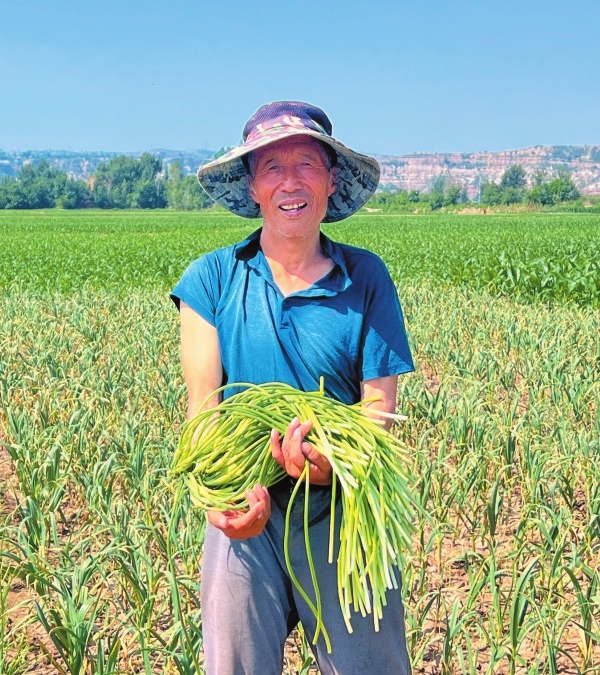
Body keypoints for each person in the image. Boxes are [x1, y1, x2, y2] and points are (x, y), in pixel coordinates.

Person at [171, 101, 414, 675]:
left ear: (331, 180)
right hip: (247, 500)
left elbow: (377, 411)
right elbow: (203, 410)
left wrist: (331, 466)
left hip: (345, 510)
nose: (290, 182)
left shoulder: (366, 277)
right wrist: (225, 503)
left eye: (306, 164)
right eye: (272, 167)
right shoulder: (211, 278)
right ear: (252, 186)